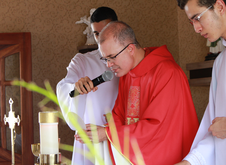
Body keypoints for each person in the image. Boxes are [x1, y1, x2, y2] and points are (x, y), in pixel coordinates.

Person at [75, 21, 199, 165]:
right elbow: (118, 115)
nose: (108, 65)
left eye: (112, 57)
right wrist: (102, 133)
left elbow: (159, 129)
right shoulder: (127, 74)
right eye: (105, 59)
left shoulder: (168, 73)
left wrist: (108, 134)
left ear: (130, 49)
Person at [56, 7, 119, 165]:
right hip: (91, 141)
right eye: (96, 33)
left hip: (121, 137)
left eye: (105, 30)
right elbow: (65, 85)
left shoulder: (128, 59)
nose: (100, 37)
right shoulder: (82, 61)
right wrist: (77, 88)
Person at [176, 0, 226, 164]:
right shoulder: (220, 63)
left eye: (198, 18)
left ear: (219, 7)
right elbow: (214, 132)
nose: (196, 29)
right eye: (191, 22)